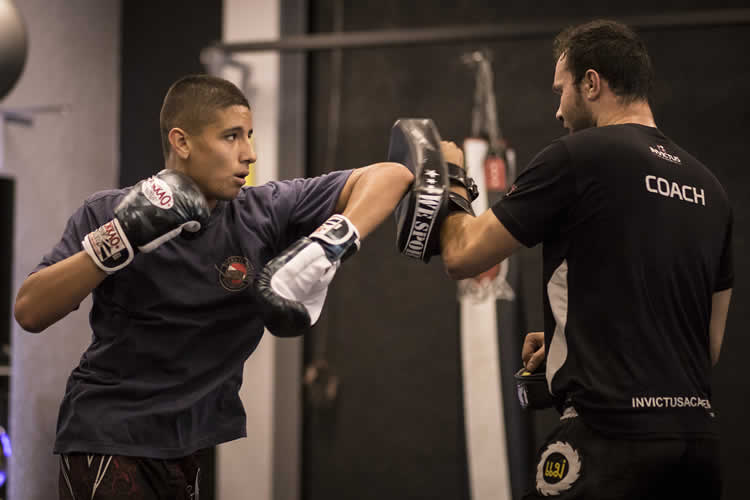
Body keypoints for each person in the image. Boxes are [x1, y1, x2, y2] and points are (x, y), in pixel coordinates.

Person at [13, 74, 413, 499]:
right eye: (231, 136)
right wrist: (121, 238)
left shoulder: (264, 212)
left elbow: (391, 175)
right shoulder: (107, 211)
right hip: (108, 437)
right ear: (182, 142)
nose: (249, 153)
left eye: (249, 136)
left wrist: (327, 245)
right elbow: (30, 311)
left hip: (188, 447)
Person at [438, 20, 732, 499]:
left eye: (562, 91)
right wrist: (576, 336)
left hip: (609, 439)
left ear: (592, 83)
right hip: (697, 446)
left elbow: (461, 255)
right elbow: (706, 344)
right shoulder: (711, 189)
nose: (558, 110)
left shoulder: (577, 157)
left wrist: (449, 178)